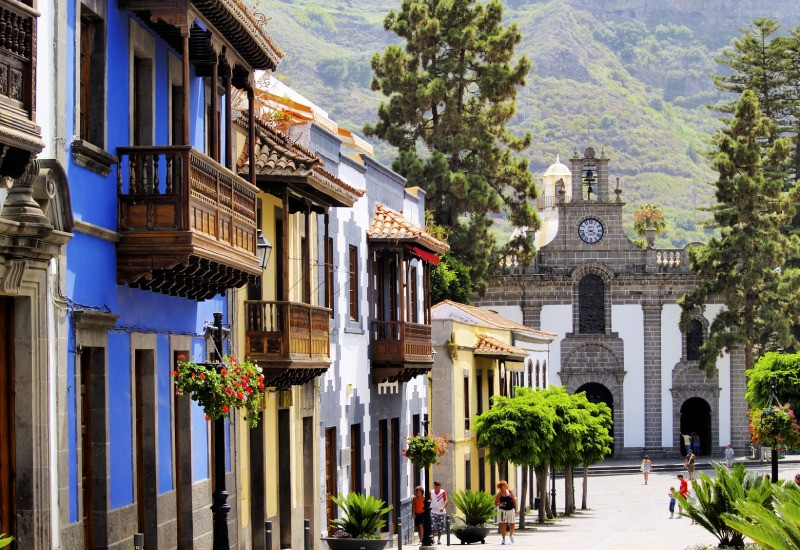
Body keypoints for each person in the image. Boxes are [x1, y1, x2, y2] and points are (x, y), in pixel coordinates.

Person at [494, 480, 518, 545]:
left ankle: (511, 534)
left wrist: (516, 508)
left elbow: (514, 500)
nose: (507, 485)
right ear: (502, 486)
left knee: (512, 524)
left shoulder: (510, 492)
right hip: (502, 511)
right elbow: (495, 503)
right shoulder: (499, 494)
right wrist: (499, 504)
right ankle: (503, 539)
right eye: (505, 485)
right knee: (503, 525)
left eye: (507, 484)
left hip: (511, 509)